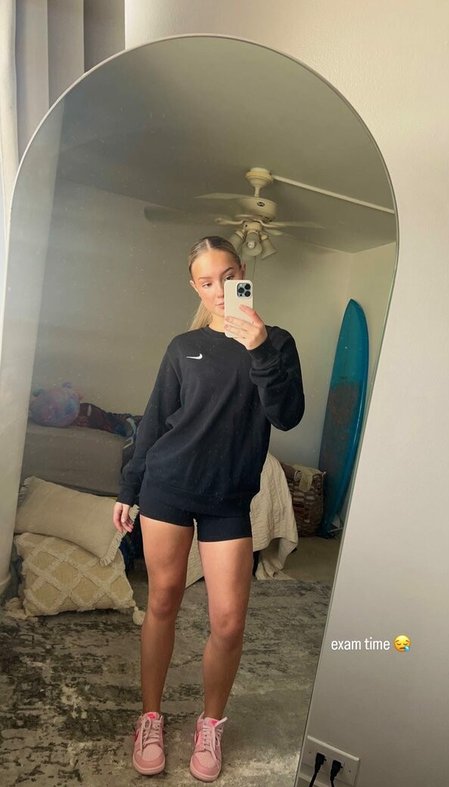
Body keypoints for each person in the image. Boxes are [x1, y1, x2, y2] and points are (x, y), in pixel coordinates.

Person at [113, 235, 304, 782]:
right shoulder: (183, 346)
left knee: (228, 621)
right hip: (168, 488)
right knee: (162, 601)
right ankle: (150, 717)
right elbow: (155, 420)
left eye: (228, 276)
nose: (219, 290)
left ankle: (210, 723)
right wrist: (129, 487)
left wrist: (260, 348)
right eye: (206, 281)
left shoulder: (277, 342)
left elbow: (287, 415)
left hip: (229, 499)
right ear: (194, 287)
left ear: (243, 273)